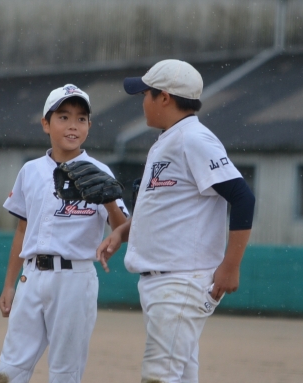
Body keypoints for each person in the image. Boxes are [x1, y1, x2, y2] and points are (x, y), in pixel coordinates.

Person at [96, 60, 255, 383]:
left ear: (164, 97)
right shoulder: (169, 140)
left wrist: (231, 264)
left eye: (145, 93)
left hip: (181, 281)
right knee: (180, 377)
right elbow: (166, 207)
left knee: (159, 375)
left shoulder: (194, 139)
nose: (142, 101)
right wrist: (124, 231)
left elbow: (242, 197)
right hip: (164, 281)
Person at [0, 84, 128, 383]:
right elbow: (22, 230)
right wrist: (9, 284)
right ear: (45, 123)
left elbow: (124, 231)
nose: (73, 126)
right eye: (63, 117)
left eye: (81, 119)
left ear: (90, 126)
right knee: (10, 367)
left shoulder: (99, 171)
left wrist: (108, 198)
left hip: (74, 279)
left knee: (65, 372)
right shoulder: (30, 171)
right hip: (31, 276)